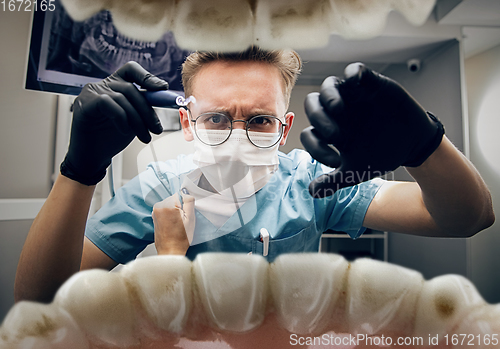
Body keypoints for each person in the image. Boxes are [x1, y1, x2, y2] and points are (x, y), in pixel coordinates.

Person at [15, 47, 494, 304]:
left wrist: (425, 146)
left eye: (260, 120)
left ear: (284, 128)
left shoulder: (314, 179)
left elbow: (469, 218)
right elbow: (39, 298)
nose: (238, 137)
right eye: (217, 118)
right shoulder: (161, 187)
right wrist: (79, 171)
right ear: (188, 123)